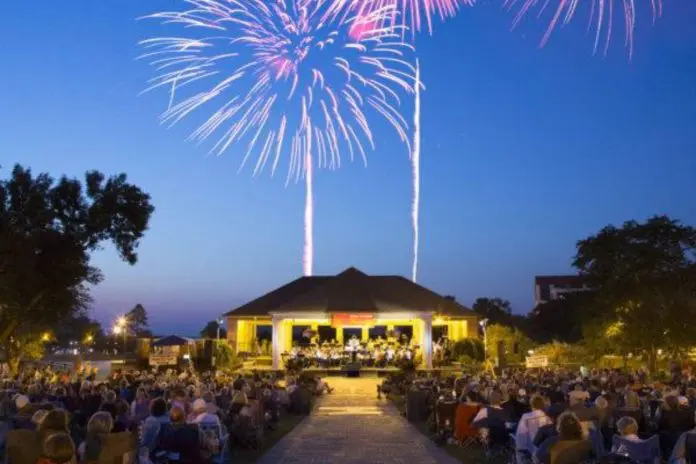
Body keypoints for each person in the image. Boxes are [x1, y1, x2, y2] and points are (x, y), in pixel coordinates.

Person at [515, 395, 552, 461]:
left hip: (530, 451)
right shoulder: (547, 417)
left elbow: (521, 435)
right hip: (544, 451)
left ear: (532, 405)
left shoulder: (526, 417)